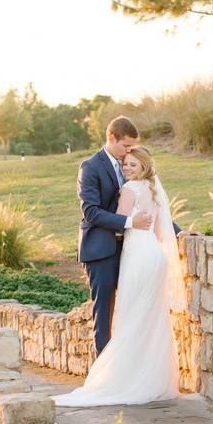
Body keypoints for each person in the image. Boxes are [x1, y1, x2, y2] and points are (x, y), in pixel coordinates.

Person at [53, 144, 189, 406]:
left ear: (143, 167)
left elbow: (122, 218)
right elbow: (159, 227)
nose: (126, 166)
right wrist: (177, 232)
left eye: (132, 163)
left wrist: (131, 224)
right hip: (154, 256)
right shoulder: (151, 188)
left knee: (128, 316)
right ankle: (151, 378)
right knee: (150, 317)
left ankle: (119, 378)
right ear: (113, 138)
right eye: (126, 161)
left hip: (137, 257)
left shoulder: (129, 188)